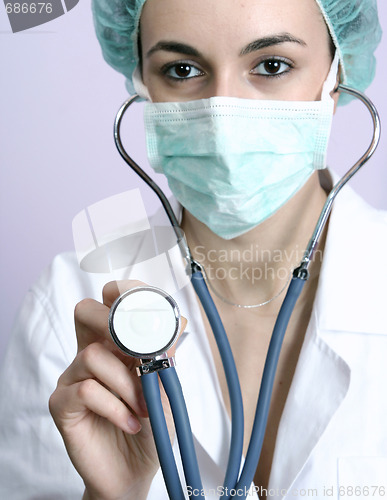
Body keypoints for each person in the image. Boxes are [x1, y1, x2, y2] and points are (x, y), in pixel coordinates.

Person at [0, 0, 386, 499]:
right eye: (181, 70)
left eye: (271, 65)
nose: (223, 112)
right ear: (142, 84)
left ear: (336, 76)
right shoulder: (70, 303)